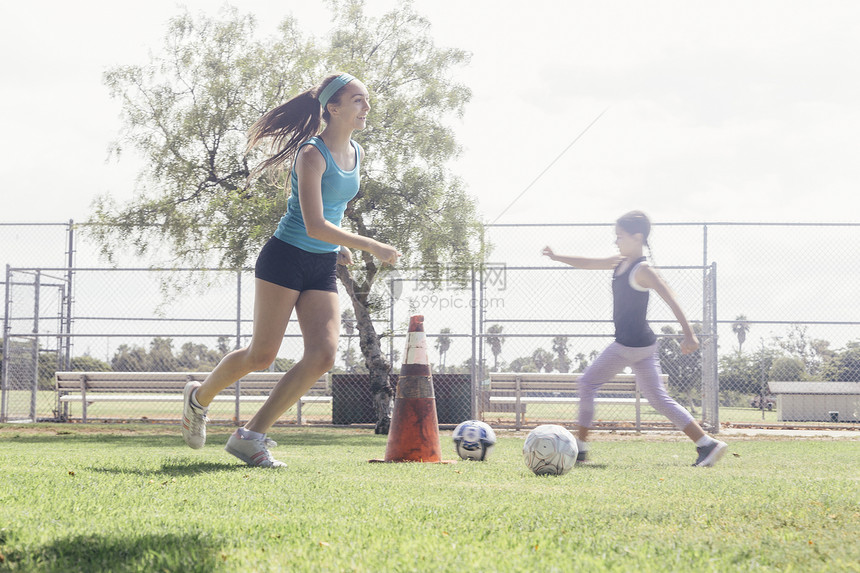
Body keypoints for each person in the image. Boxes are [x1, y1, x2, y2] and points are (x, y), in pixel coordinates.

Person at [181, 73, 400, 467]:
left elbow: (331, 211)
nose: (366, 107)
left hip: (320, 263)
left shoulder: (357, 153)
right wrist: (370, 245)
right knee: (261, 355)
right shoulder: (311, 154)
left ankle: (250, 437)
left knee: (323, 355)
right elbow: (313, 223)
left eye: (366, 100)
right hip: (284, 257)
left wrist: (335, 250)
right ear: (333, 108)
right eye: (358, 100)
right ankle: (199, 398)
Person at [542, 210, 727, 467]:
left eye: (620, 236)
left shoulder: (642, 269)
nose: (616, 241)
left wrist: (689, 334)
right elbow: (588, 262)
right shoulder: (620, 262)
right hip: (644, 347)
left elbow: (670, 296)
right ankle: (707, 444)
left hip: (627, 346)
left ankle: (581, 452)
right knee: (659, 399)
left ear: (637, 236)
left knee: (586, 384)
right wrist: (557, 256)